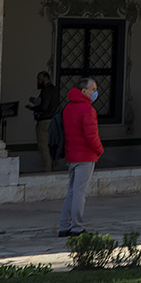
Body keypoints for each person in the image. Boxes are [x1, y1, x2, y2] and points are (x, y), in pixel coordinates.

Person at [58, 77, 103, 237]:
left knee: (71, 191)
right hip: (85, 155)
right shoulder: (87, 110)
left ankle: (64, 225)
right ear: (84, 91)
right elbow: (91, 135)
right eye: (93, 89)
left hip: (72, 154)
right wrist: (99, 150)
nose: (95, 92)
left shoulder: (69, 108)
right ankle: (77, 227)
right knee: (79, 193)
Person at [26, 71, 58, 172]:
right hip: (53, 120)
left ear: (45, 79)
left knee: (43, 146)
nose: (38, 82)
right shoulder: (54, 89)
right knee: (52, 145)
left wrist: (33, 108)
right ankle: (53, 166)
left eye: (39, 79)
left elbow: (44, 106)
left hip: (44, 121)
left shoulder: (46, 90)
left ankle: (47, 168)